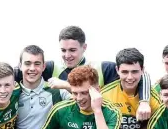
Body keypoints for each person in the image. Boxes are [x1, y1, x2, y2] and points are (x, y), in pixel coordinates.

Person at [13, 26, 152, 120]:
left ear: (84, 47)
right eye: (63, 50)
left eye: (72, 50)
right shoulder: (50, 67)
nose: (67, 55)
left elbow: (140, 75)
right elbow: (16, 72)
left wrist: (144, 101)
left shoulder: (103, 68)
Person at [16, 45, 71, 129]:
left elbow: (86, 98)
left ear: (43, 66)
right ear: (20, 66)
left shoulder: (56, 90)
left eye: (37, 64)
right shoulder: (12, 93)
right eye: (27, 63)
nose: (32, 68)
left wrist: (66, 85)